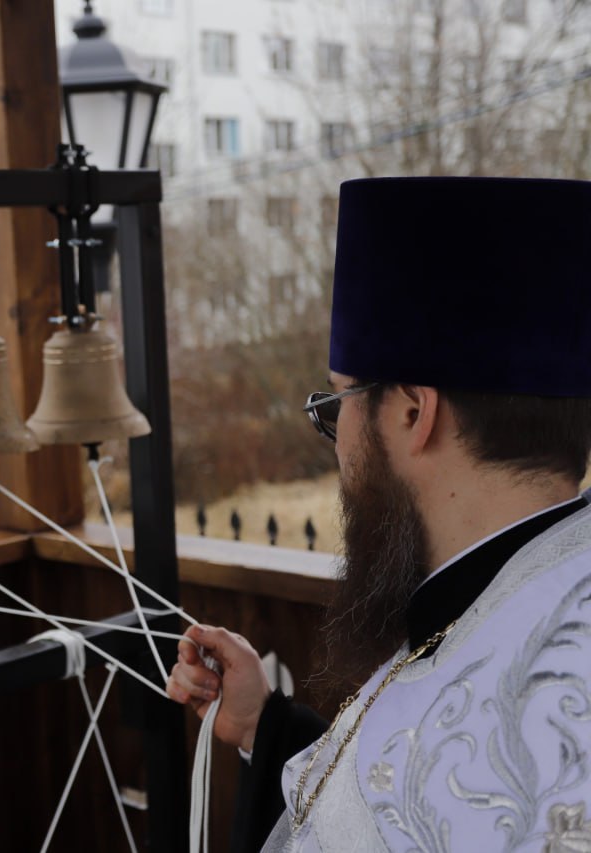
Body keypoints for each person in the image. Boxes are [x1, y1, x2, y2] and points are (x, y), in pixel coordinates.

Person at [167, 176, 591, 851]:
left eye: (339, 404)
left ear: (413, 413)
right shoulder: (506, 586)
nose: (337, 442)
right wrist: (264, 725)